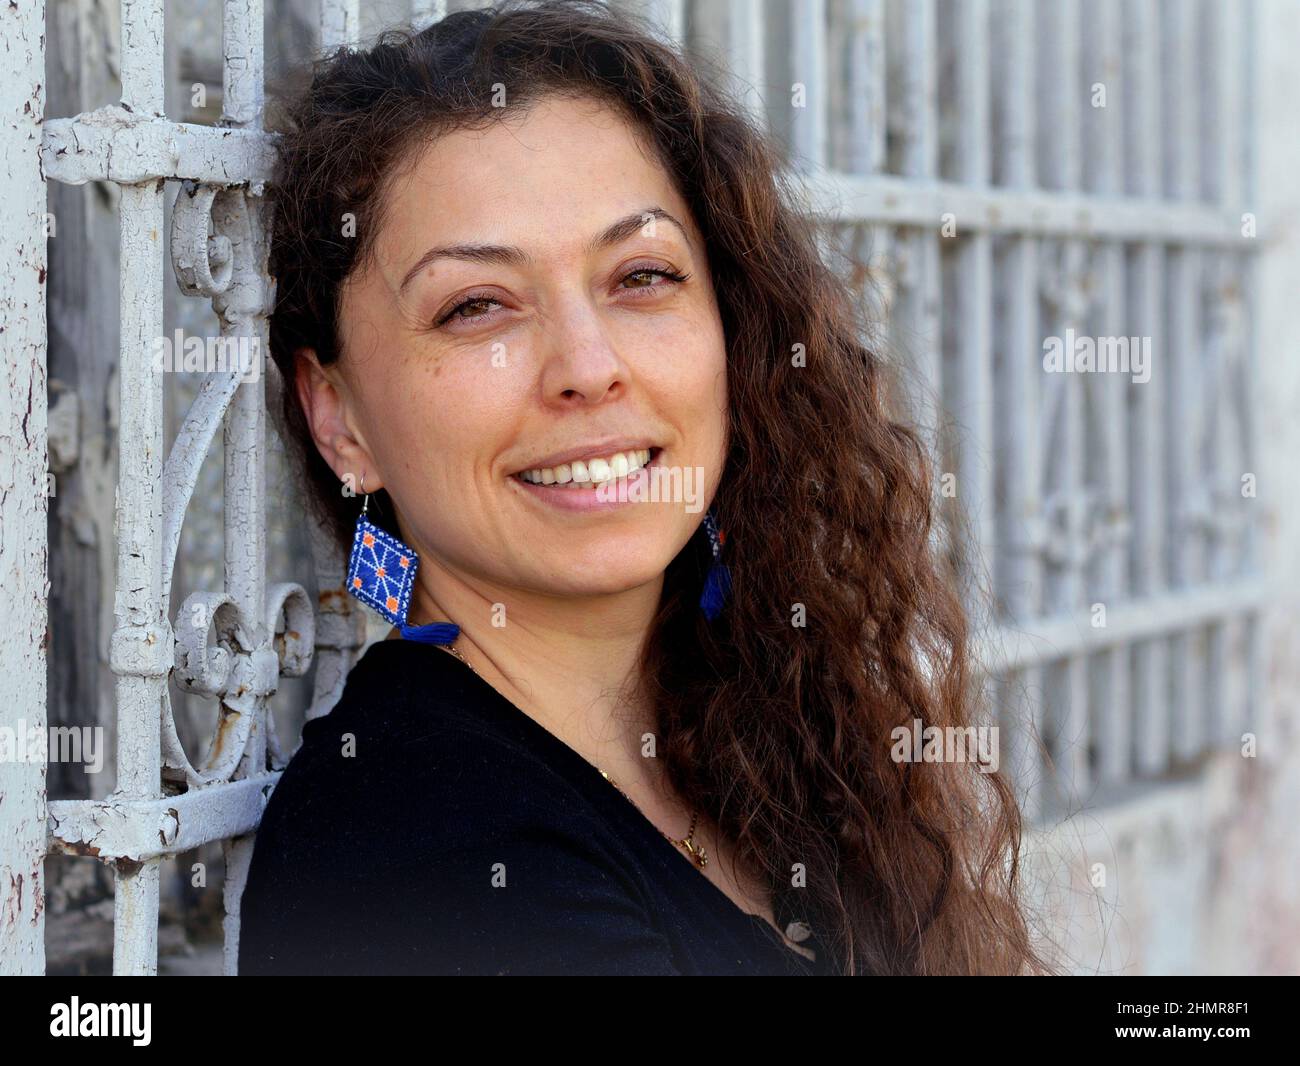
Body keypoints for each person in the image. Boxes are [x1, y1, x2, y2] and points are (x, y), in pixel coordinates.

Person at [237, 0, 1045, 976]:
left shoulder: (757, 735)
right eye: (476, 305)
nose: (588, 365)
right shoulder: (414, 851)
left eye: (641, 276)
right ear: (340, 419)